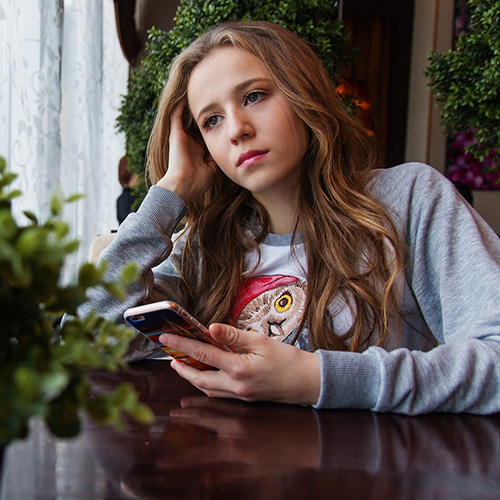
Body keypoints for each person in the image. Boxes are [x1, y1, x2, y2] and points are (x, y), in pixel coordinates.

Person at [82, 21, 500, 415]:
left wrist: (317, 379)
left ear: (303, 94)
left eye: (254, 96)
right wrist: (169, 192)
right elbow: (86, 339)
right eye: (212, 120)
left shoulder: (409, 201)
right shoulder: (203, 246)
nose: (237, 129)